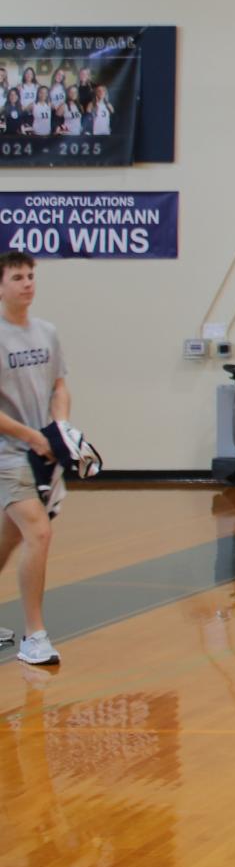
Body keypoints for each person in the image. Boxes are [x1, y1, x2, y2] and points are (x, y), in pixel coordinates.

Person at [0, 251, 72, 666]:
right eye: (17, 277)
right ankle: (34, 637)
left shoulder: (47, 332)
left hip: (42, 453)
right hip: (7, 454)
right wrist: (29, 435)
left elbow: (60, 385)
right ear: (2, 285)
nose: (27, 283)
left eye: (30, 276)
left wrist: (58, 429)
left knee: (8, 538)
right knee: (38, 533)